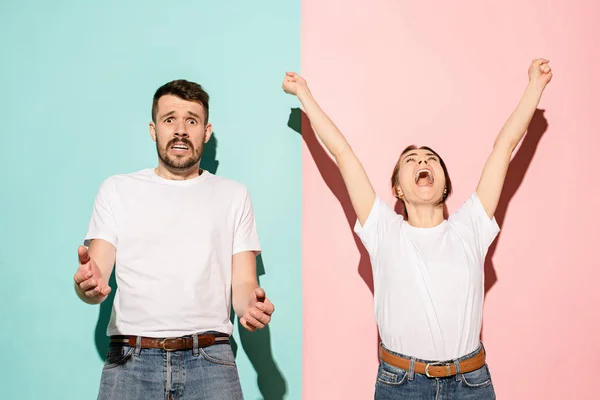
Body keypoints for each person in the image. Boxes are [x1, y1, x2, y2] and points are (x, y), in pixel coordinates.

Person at [282, 59, 552, 399]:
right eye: (411, 161)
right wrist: (304, 95)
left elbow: (503, 147)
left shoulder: (470, 226)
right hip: (401, 384)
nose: (422, 162)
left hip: (470, 383)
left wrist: (534, 86)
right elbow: (343, 154)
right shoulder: (382, 228)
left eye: (430, 159)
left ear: (444, 187)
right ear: (397, 189)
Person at [73, 79, 275, 400]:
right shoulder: (116, 189)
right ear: (154, 130)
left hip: (210, 360)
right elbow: (95, 275)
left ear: (206, 132)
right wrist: (88, 286)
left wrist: (251, 306)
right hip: (131, 359)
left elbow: (244, 284)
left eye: (191, 120)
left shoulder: (233, 195)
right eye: (170, 119)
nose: (180, 130)